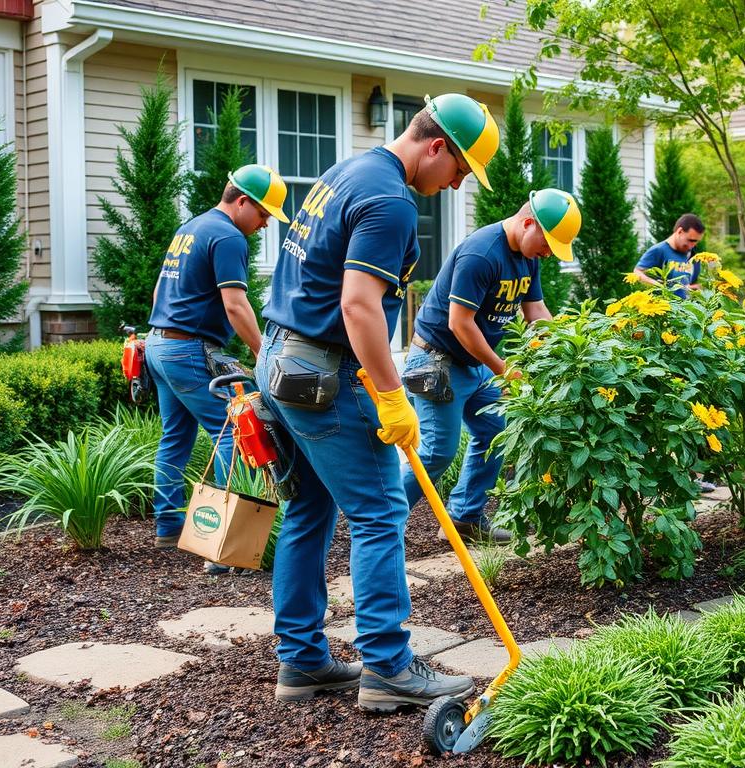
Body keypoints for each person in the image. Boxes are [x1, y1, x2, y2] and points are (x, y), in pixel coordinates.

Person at [256, 94, 499, 708]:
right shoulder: (390, 200)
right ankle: (388, 667)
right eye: (462, 171)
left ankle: (303, 662)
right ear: (437, 147)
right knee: (379, 511)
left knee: (310, 512)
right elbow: (359, 305)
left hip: (281, 358)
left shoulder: (348, 171)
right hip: (319, 375)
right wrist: (392, 397)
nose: (455, 185)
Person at [402, 189, 581, 544]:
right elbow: (460, 324)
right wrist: (503, 368)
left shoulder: (528, 258)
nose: (547, 253)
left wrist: (568, 347)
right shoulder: (481, 253)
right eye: (547, 244)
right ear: (528, 223)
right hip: (437, 361)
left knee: (498, 432)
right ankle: (382, 523)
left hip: (472, 363)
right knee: (437, 451)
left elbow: (536, 314)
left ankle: (464, 518)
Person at [146, 164, 285, 551]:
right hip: (188, 351)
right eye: (263, 214)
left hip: (159, 345)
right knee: (233, 435)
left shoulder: (189, 228)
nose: (264, 225)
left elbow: (160, 292)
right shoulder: (227, 237)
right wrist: (263, 352)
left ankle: (168, 526)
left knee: (174, 438)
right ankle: (226, 543)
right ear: (243, 202)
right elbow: (236, 305)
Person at [633, 213, 705, 297]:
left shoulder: (692, 255)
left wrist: (692, 289)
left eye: (696, 241)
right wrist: (661, 287)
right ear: (680, 231)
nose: (692, 245)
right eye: (690, 240)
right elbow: (637, 272)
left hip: (685, 308)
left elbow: (688, 284)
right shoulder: (659, 250)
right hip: (663, 307)